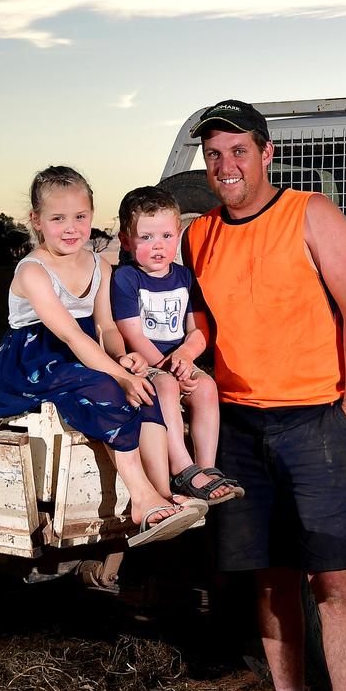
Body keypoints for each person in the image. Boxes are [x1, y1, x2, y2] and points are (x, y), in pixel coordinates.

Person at [184, 99, 346, 691]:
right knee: (270, 581)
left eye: (239, 151)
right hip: (239, 426)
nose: (226, 166)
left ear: (266, 153)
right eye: (215, 155)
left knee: (334, 580)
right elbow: (191, 316)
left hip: (315, 420)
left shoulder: (311, 215)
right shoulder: (199, 234)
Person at [0, 165, 204, 546]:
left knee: (146, 385)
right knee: (107, 387)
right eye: (58, 218)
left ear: (91, 215)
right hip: (36, 358)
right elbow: (68, 333)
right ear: (36, 220)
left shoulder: (99, 265)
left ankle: (164, 493)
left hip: (87, 352)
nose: (71, 227)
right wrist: (117, 376)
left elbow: (106, 328)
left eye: (80, 217)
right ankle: (141, 497)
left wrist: (124, 360)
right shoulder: (33, 271)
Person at [111, 186, 244, 506]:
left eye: (167, 236)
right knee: (168, 387)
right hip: (146, 363)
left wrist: (185, 356)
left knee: (207, 387)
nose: (158, 246)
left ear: (179, 233)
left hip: (179, 361)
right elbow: (133, 335)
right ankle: (182, 467)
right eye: (146, 238)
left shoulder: (185, 278)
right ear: (126, 241)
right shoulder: (126, 279)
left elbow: (198, 330)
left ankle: (207, 468)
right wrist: (168, 365)